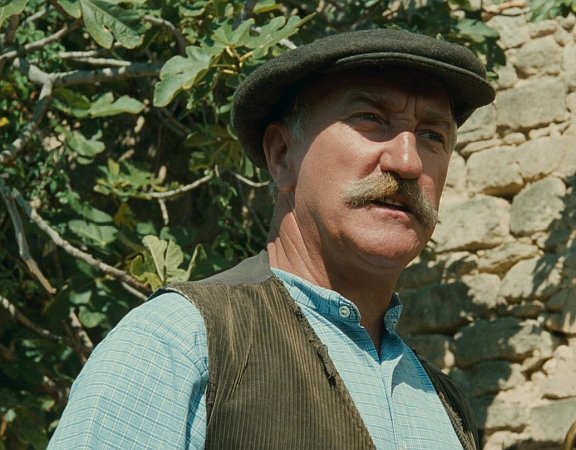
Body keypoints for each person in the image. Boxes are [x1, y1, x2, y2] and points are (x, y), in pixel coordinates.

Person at [48, 28, 495, 449]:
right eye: (370, 119)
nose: (408, 162)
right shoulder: (181, 341)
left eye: (432, 135)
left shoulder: (444, 403)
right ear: (282, 156)